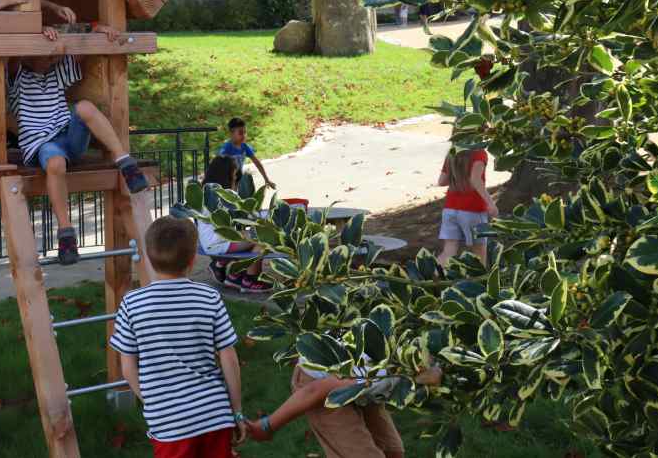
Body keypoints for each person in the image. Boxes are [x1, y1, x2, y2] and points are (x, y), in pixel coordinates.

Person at [109, 216, 246, 458]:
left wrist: (151, 400)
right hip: (214, 414)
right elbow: (229, 359)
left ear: (150, 258)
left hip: (169, 424)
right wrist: (237, 411)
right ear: (193, 260)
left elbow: (127, 365)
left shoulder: (132, 304)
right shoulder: (209, 298)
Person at [7, 52, 148, 265]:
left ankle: (125, 162)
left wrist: (94, 27)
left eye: (53, 57)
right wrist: (41, 34)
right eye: (46, 56)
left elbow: (81, 51)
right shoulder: (17, 77)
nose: (52, 60)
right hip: (42, 145)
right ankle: (66, 233)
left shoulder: (56, 74)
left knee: (85, 106)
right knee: (56, 164)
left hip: (68, 137)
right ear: (29, 57)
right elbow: (16, 52)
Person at [246, 358, 442, 458]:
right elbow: (315, 391)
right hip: (320, 385)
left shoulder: (402, 361)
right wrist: (267, 426)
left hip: (364, 386)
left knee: (393, 451)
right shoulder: (378, 376)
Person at [198, 156, 271, 293]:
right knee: (263, 238)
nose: (236, 177)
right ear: (226, 174)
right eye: (234, 173)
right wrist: (271, 216)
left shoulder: (205, 192)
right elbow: (247, 214)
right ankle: (249, 280)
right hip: (219, 243)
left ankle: (233, 274)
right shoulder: (225, 195)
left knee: (251, 238)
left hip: (210, 241)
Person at [436, 145, 498, 267]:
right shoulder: (479, 153)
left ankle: (433, 279)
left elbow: (441, 181)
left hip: (450, 209)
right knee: (479, 251)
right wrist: (491, 203)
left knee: (449, 250)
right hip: (474, 210)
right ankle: (481, 283)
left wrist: (458, 173)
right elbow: (475, 180)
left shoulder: (452, 152)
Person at [218, 118, 275, 189]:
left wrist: (266, 179)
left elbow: (257, 163)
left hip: (237, 180)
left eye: (245, 132)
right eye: (241, 133)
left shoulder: (245, 147)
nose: (244, 135)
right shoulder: (226, 148)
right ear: (231, 133)